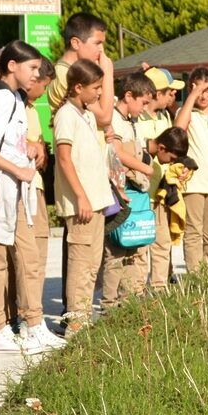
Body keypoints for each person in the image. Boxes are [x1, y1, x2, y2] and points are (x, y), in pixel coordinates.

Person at [0, 42, 64, 354]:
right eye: (32, 68)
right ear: (13, 65)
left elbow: (5, 143)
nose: (36, 74)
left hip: (15, 190)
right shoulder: (2, 97)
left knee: (20, 257)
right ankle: (6, 328)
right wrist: (19, 169)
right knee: (2, 259)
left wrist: (26, 152)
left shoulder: (13, 97)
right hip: (4, 191)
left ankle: (28, 325)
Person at [54, 59, 115, 332]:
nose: (100, 93)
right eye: (95, 87)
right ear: (78, 87)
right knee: (79, 265)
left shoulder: (87, 114)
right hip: (82, 203)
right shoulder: (66, 114)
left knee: (92, 266)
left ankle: (85, 318)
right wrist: (80, 196)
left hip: (97, 200)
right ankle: (75, 324)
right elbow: (65, 159)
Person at [102, 73, 157, 310]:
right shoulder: (113, 118)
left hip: (134, 192)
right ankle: (109, 304)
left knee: (133, 248)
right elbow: (116, 152)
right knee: (115, 252)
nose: (144, 109)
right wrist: (145, 167)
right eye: (143, 103)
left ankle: (129, 300)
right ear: (128, 96)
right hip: (117, 192)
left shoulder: (131, 121)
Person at [174, 68, 208, 268]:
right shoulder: (185, 112)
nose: (203, 96)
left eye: (207, 91)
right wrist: (193, 96)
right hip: (193, 182)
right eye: (198, 90)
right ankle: (195, 277)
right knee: (193, 231)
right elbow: (178, 129)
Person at [47, 12, 115, 128]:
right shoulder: (65, 74)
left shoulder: (80, 72)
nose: (101, 50)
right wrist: (107, 73)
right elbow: (104, 118)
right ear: (75, 43)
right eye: (97, 43)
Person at [146, 126, 190, 290]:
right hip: (142, 203)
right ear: (162, 148)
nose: (171, 162)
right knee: (140, 250)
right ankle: (135, 290)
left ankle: (159, 288)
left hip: (161, 202)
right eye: (171, 158)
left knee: (162, 246)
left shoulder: (166, 156)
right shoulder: (143, 152)